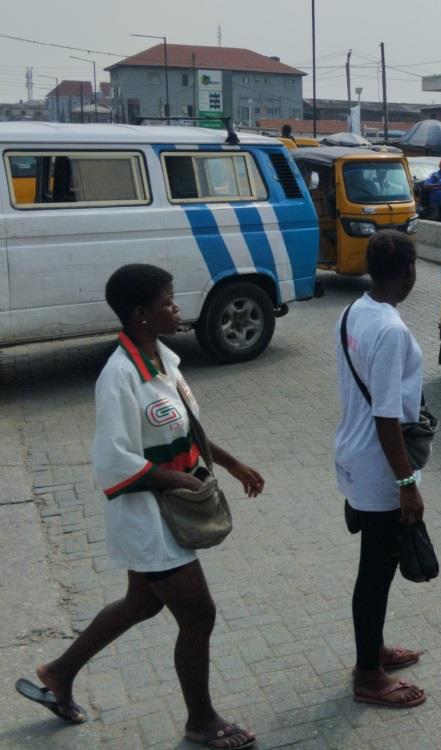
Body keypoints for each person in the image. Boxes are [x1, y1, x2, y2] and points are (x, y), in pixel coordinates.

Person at [15, 264, 264, 750]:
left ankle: (58, 673)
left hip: (168, 508)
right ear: (142, 314)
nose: (177, 308)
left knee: (143, 602)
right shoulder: (119, 375)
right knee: (199, 616)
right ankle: (201, 721)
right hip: (147, 517)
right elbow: (111, 460)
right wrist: (176, 480)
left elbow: (186, 426)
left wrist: (232, 464)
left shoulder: (163, 359)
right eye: (168, 302)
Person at [334, 230, 428, 709]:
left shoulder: (354, 311)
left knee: (377, 566)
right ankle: (368, 673)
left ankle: (374, 650)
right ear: (409, 270)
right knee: (375, 571)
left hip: (355, 455)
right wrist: (407, 482)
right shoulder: (391, 330)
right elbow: (387, 415)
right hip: (380, 466)